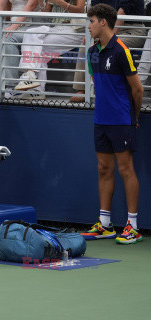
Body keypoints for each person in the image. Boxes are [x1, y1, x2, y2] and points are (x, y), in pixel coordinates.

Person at [80, 4, 143, 244]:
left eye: (92, 21)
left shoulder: (122, 51)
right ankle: (105, 224)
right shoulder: (92, 52)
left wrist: (133, 117)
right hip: (101, 120)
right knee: (103, 169)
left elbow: (137, 89)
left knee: (126, 169)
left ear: (104, 22)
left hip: (121, 120)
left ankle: (133, 226)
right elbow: (99, 85)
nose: (89, 26)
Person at [70, 0, 146, 103]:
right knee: (87, 45)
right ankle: (82, 89)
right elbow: (95, 14)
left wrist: (108, 36)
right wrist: (92, 32)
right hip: (106, 27)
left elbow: (121, 13)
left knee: (113, 46)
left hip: (133, 29)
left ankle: (112, 92)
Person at [14, 0, 86, 97]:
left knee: (40, 46)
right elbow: (47, 14)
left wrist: (60, 2)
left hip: (76, 29)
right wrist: (41, 2)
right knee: (31, 33)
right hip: (58, 27)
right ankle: (34, 87)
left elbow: (80, 10)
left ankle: (33, 83)